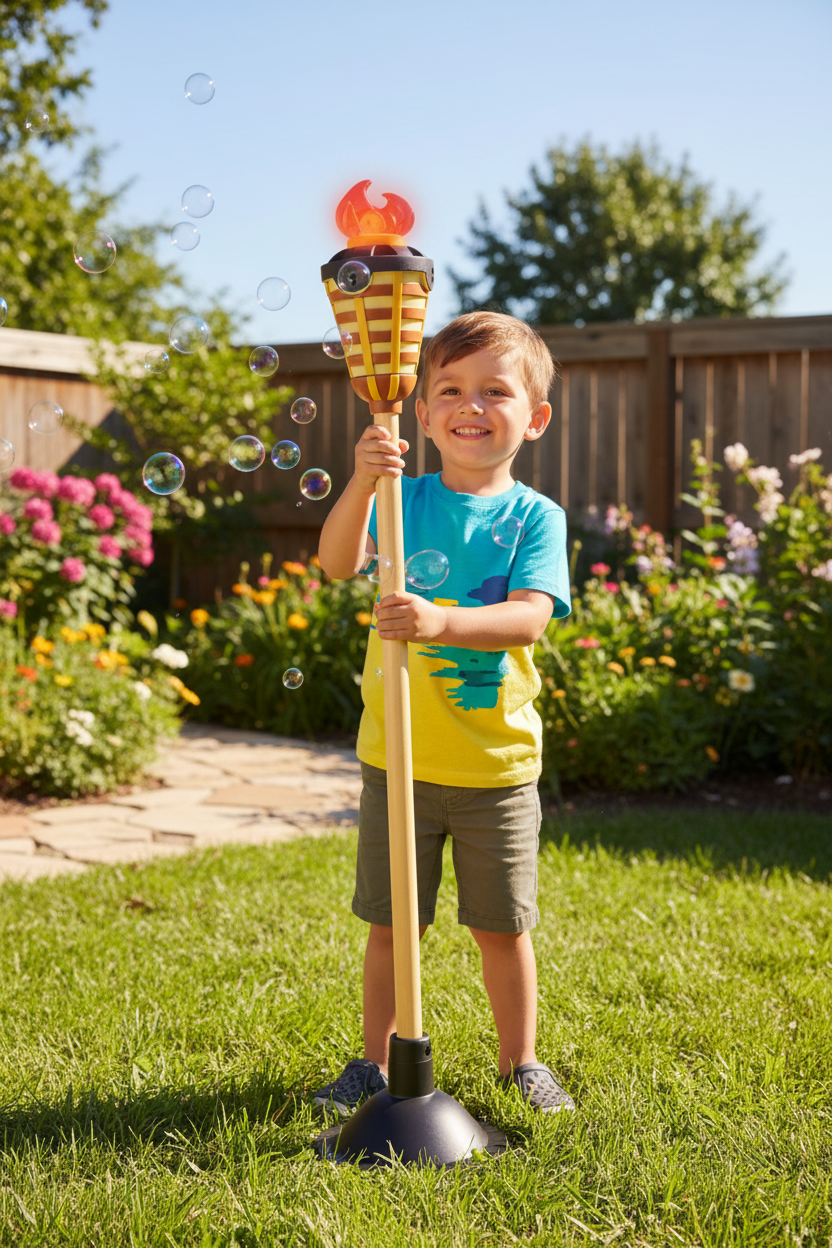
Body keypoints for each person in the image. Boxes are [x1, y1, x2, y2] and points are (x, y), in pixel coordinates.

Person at [315, 311, 573, 1115]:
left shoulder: (535, 518)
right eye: (451, 390)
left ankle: (521, 1062)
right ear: (421, 414)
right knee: (393, 929)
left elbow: (530, 617)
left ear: (532, 419)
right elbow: (333, 565)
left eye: (495, 390)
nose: (471, 404)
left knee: (502, 927)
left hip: (495, 766)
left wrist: (439, 621)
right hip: (398, 757)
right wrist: (363, 478)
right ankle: (372, 1063)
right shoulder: (401, 499)